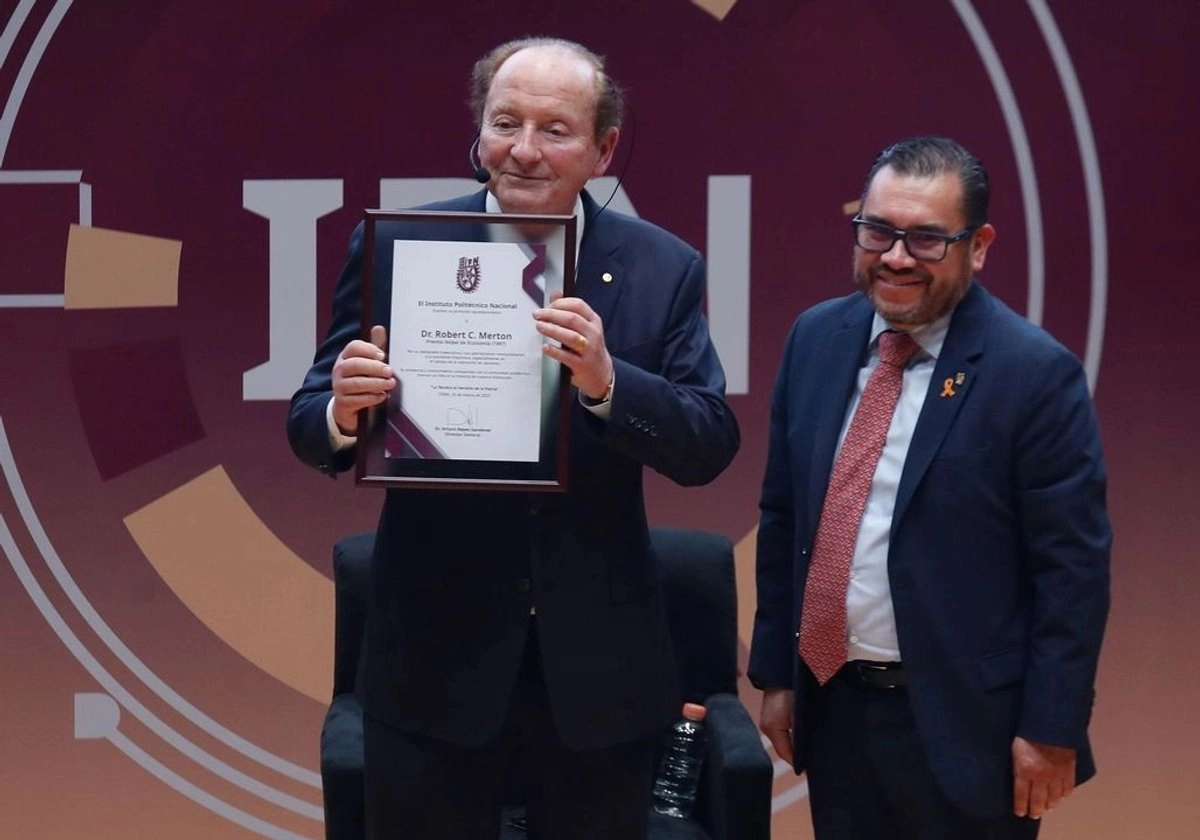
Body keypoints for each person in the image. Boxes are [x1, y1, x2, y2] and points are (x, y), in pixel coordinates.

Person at [288, 36, 739, 840]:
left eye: (555, 130)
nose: (524, 151)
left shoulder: (661, 266)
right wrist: (342, 410)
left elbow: (708, 443)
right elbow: (309, 421)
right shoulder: (399, 244)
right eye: (505, 123)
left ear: (603, 149)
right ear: (479, 132)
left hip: (599, 676)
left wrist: (607, 382)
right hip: (431, 666)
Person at [749, 136, 1110, 839]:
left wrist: (1052, 728)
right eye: (878, 230)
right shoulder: (815, 338)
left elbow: (1073, 572)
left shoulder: (1034, 375)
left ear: (978, 246)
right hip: (837, 710)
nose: (894, 256)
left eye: (926, 239)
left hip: (971, 730)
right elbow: (785, 514)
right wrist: (778, 675)